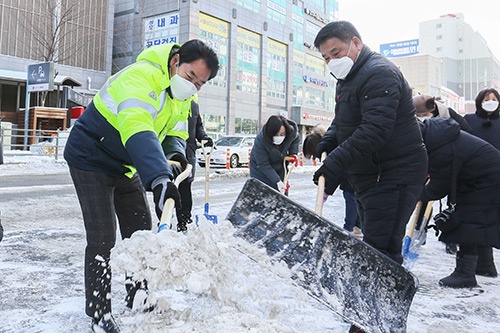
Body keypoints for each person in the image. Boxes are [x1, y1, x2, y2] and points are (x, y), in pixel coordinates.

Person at [63, 40, 219, 333]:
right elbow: (138, 127)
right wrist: (158, 176)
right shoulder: (140, 76)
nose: (194, 87)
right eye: (190, 77)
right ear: (175, 61)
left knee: (141, 231)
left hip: (126, 164)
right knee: (102, 237)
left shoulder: (181, 96)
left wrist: (172, 159)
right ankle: (99, 312)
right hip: (91, 157)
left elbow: (174, 132)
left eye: (201, 84)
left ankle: (138, 296)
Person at [312, 22, 428, 332]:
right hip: (371, 175)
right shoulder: (348, 77)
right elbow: (344, 120)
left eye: (335, 52)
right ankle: (369, 320)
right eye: (325, 57)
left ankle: (374, 323)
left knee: (382, 250)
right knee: (375, 247)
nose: (331, 61)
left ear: (356, 44)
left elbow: (374, 130)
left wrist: (335, 162)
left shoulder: (379, 73)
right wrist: (328, 141)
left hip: (394, 174)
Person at [420, 117, 500, 287]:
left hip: (486, 180)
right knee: (479, 222)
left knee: (468, 223)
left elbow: (438, 187)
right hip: (485, 177)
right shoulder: (441, 137)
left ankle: (465, 274)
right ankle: (485, 266)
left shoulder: (441, 148)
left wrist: (417, 194)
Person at [413, 94, 473, 254]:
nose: (422, 118)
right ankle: (420, 230)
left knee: (452, 203)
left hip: (452, 163)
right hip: (428, 162)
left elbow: (466, 131)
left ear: (431, 111)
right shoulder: (416, 120)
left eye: (423, 115)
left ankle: (451, 239)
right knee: (424, 198)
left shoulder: (449, 114)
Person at [461, 87, 500, 277]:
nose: (491, 102)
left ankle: (485, 264)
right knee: (468, 220)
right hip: (471, 176)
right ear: (479, 101)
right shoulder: (469, 121)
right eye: (487, 99)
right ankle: (472, 265)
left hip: (495, 179)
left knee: (488, 220)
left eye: (494, 99)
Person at [303, 125, 363, 239]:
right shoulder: (332, 141)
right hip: (353, 176)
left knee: (351, 198)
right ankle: (357, 227)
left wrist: (325, 191)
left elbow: (337, 175)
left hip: (352, 176)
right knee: (354, 199)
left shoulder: (334, 148)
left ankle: (349, 229)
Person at [176, 99, 213, 232]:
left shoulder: (193, 105)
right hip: (170, 152)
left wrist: (204, 137)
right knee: (168, 188)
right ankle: (164, 224)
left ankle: (184, 222)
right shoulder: (171, 99)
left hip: (188, 152)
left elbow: (198, 126)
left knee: (185, 189)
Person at [249, 115, 300, 194]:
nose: (279, 137)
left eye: (282, 134)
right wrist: (277, 181)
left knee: (283, 192)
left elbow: (296, 139)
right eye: (276, 134)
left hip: (280, 166)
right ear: (271, 133)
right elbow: (263, 165)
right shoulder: (261, 140)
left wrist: (293, 153)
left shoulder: (291, 133)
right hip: (260, 171)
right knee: (265, 194)